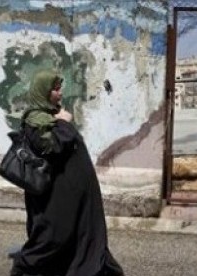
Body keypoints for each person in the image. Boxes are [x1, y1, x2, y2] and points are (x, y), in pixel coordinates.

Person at [10, 70, 124, 276]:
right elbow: (50, 147)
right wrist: (64, 123)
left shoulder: (51, 115)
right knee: (54, 236)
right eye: (55, 89)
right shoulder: (36, 120)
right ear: (43, 92)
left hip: (73, 194)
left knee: (84, 232)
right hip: (57, 197)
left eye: (59, 88)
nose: (60, 93)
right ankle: (24, 269)